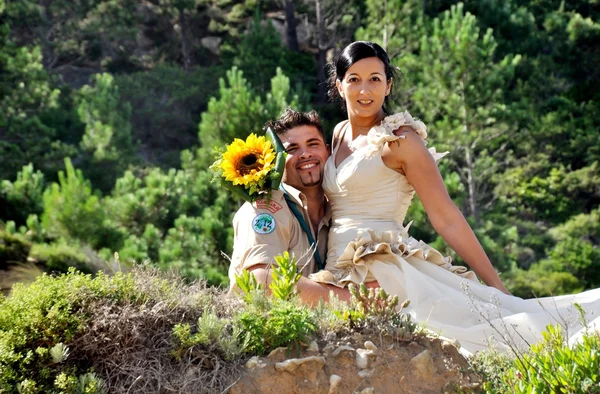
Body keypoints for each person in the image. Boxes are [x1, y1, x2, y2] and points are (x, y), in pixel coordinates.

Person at [309, 41, 600, 354]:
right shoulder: (338, 134)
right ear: (339, 86)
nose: (364, 90)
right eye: (354, 79)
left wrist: (498, 287)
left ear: (388, 85)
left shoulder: (401, 140)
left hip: (380, 264)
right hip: (336, 263)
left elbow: (446, 217)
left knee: (489, 332)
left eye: (375, 79)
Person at [229, 107, 369, 305]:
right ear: (275, 161)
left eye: (313, 144)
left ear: (328, 152)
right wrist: (349, 299)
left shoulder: (344, 212)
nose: (305, 154)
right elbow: (261, 281)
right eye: (292, 149)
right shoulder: (264, 209)